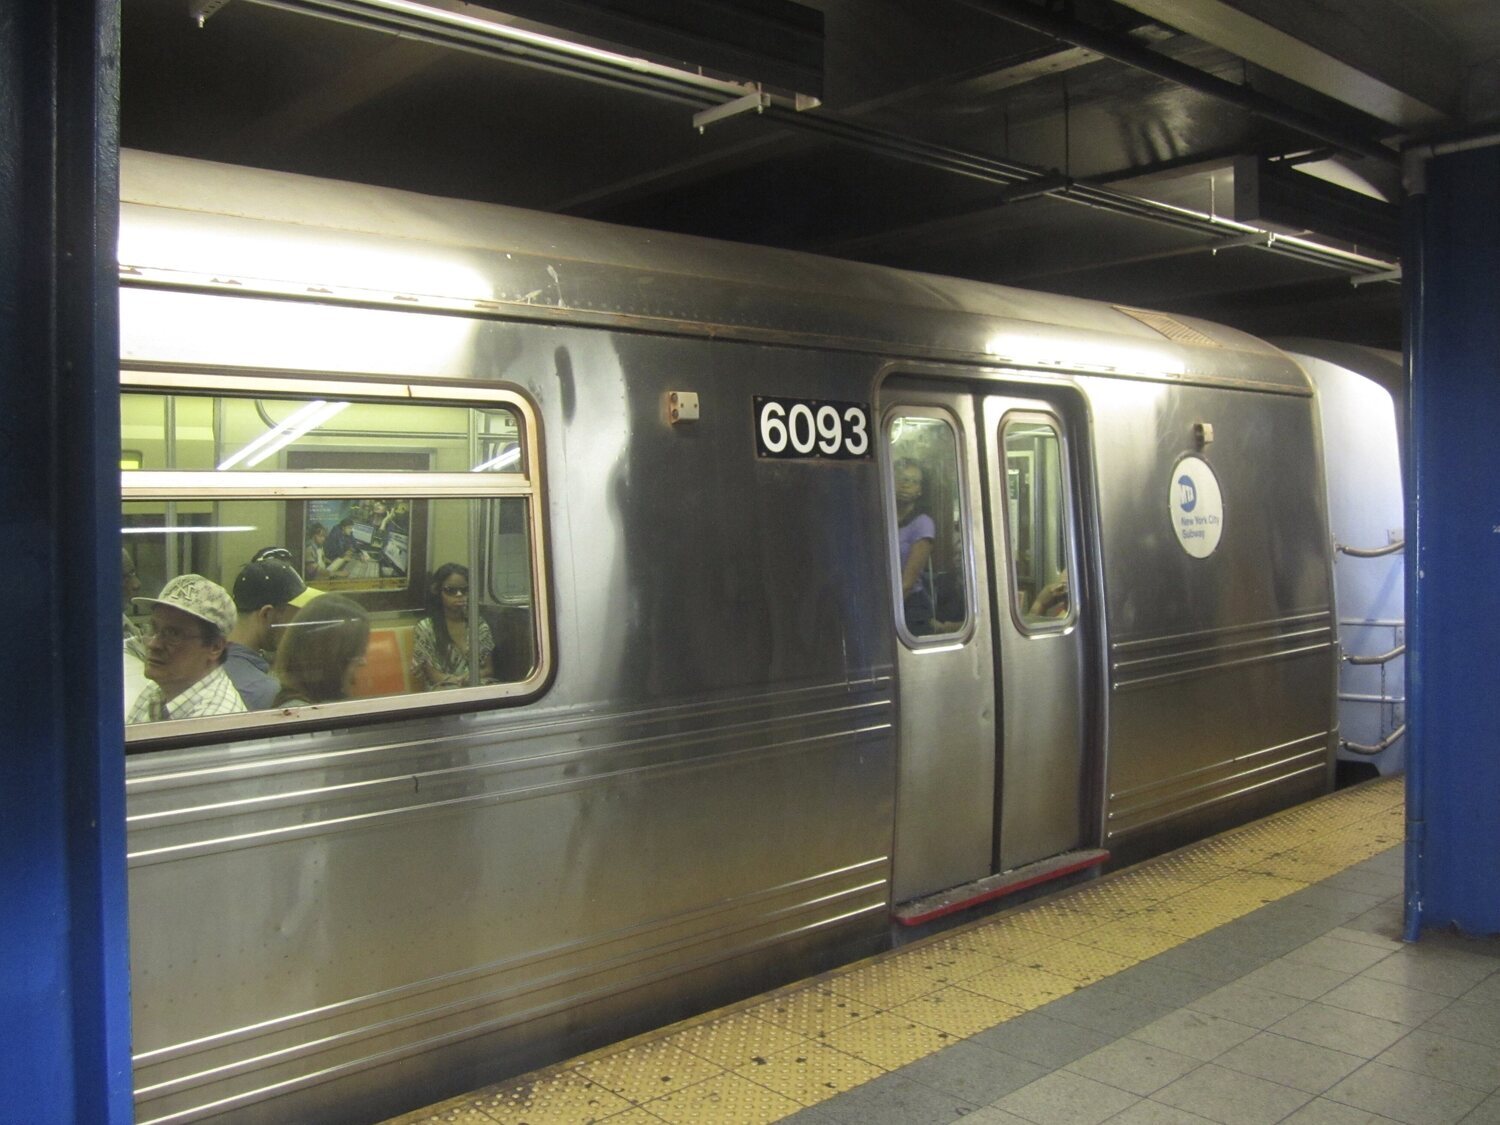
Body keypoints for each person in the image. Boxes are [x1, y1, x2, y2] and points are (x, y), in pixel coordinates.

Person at [126, 574, 247, 723]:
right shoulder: (162, 687)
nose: (153, 644)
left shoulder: (214, 721)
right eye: (153, 629)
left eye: (173, 634)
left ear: (215, 647)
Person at [225, 556, 318, 709]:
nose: (299, 626)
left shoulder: (211, 659)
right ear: (267, 614)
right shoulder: (269, 693)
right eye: (295, 615)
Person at [271, 594, 371, 707]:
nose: (363, 661)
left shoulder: (316, 703)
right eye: (357, 652)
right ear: (331, 657)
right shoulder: (301, 713)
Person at [411, 563, 493, 690]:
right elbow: (432, 674)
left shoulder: (478, 624)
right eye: (451, 590)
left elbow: (488, 669)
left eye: (464, 590)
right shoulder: (426, 628)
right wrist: (457, 681)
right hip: (443, 687)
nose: (459, 594)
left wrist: (472, 677)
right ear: (438, 592)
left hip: (476, 684)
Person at [894, 457, 936, 635]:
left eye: (913, 482)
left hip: (910, 606)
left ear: (919, 490)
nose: (906, 486)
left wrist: (887, 612)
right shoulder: (883, 517)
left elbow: (907, 583)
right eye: (902, 479)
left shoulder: (922, 523)